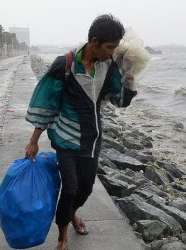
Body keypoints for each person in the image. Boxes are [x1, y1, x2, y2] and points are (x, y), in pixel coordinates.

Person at [24, 14, 140, 250]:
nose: (111, 52)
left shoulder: (108, 67)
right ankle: (62, 235)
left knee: (85, 189)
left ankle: (72, 214)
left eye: (115, 48)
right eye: (109, 47)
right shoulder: (64, 65)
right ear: (94, 42)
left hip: (92, 138)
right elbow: (48, 103)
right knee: (70, 188)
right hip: (66, 139)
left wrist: (129, 76)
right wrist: (34, 141)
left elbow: (118, 100)